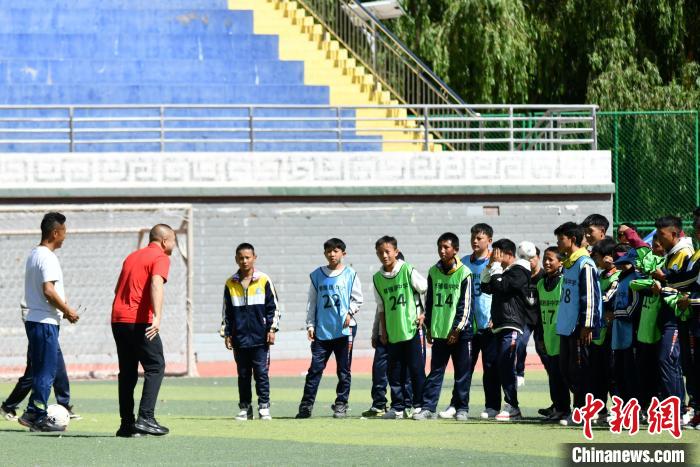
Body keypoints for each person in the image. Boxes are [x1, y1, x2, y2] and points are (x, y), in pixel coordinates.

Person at [17, 212, 80, 432]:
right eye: (64, 232)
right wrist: (68, 310)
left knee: (46, 367)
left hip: (36, 320)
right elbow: (48, 290)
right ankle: (35, 414)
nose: (65, 236)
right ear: (55, 233)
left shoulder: (34, 254)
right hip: (44, 321)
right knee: (45, 371)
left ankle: (36, 412)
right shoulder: (48, 257)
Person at [111, 224, 176, 437]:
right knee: (156, 366)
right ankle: (146, 418)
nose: (174, 245)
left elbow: (117, 289)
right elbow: (156, 284)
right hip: (139, 321)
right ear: (165, 241)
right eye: (173, 241)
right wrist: (157, 316)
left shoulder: (132, 257)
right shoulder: (160, 257)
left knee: (127, 373)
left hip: (118, 320)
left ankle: (126, 424)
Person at [296, 238, 362, 419]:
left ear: (343, 253)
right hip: (322, 331)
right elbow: (312, 302)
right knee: (315, 370)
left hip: (344, 330)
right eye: (329, 251)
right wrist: (310, 324)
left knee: (343, 371)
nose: (332, 254)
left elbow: (358, 299)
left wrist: (350, 312)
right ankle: (306, 406)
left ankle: (341, 404)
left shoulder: (350, 274)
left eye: (336, 250)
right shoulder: (317, 275)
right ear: (324, 253)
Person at [439, 223, 498, 420]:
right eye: (473, 237)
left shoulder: (495, 263)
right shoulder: (463, 262)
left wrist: (496, 316)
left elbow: (500, 292)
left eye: (479, 238)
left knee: (490, 368)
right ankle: (456, 405)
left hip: (488, 324)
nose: (475, 241)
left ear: (489, 240)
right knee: (463, 369)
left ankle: (492, 406)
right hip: (467, 326)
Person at [413, 233, 473, 421]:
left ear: (456, 250)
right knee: (436, 372)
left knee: (462, 373)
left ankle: (462, 408)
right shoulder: (433, 271)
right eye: (440, 247)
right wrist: (429, 327)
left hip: (460, 333)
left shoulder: (465, 273)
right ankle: (428, 408)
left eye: (446, 247)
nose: (442, 250)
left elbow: (465, 306)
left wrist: (457, 329)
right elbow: (429, 301)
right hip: (439, 332)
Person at [222, 243, 281, 421]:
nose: (244, 261)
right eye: (241, 258)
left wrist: (272, 329)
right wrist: (227, 333)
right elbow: (226, 311)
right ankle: (245, 408)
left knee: (261, 373)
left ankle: (264, 407)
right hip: (239, 338)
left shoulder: (264, 280)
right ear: (236, 259)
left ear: (255, 258)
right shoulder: (230, 283)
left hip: (260, 337)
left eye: (247, 257)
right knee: (243, 375)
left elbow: (273, 308)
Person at [553, 222, 603, 427]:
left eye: (560, 239)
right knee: (566, 369)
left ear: (572, 239)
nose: (558, 242)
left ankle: (582, 411)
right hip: (566, 326)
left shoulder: (585, 264)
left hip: (579, 327)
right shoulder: (568, 264)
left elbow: (590, 296)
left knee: (580, 371)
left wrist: (587, 325)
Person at [374, 235, 428, 419]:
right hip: (393, 332)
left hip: (412, 329)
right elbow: (381, 308)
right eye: (380, 253)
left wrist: (424, 313)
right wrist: (383, 331)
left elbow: (426, 288)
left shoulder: (407, 270)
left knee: (416, 369)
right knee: (395, 372)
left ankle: (419, 405)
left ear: (396, 252)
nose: (384, 255)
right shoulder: (377, 278)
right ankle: (398, 407)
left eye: (387, 251)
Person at [481, 239, 532, 421]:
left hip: (512, 323)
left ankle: (512, 406)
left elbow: (501, 286)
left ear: (509, 254)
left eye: (497, 253)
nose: (494, 257)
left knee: (506, 364)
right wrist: (489, 268)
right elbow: (486, 287)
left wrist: (495, 267)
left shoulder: (520, 271)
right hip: (499, 324)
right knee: (495, 366)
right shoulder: (503, 271)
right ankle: (496, 406)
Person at [650, 215, 695, 423]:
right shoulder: (672, 253)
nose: (658, 239)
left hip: (678, 317)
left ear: (675, 234)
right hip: (668, 316)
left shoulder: (685, 252)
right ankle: (676, 409)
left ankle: (679, 410)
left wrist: (664, 280)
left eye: (662, 235)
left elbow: (687, 285)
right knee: (671, 362)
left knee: (668, 359)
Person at [1, 301, 79, 422]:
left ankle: (62, 406)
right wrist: (66, 310)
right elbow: (48, 293)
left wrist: (62, 311)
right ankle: (26, 411)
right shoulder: (38, 293)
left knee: (56, 367)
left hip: (48, 323)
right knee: (35, 373)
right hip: (41, 324)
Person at [361, 252, 412, 418]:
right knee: (379, 371)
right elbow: (379, 311)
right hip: (384, 336)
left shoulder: (407, 281)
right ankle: (378, 404)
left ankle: (406, 405)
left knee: (403, 372)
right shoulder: (383, 282)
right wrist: (375, 333)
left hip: (403, 335)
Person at [535, 247, 570, 421]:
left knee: (566, 375)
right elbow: (538, 312)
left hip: (562, 336)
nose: (547, 263)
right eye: (545, 259)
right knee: (554, 375)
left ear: (560, 262)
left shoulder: (565, 282)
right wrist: (540, 335)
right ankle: (559, 407)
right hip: (548, 336)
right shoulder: (541, 284)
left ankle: (571, 409)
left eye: (551, 259)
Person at [589, 237, 620, 419]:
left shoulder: (618, 276)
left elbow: (606, 299)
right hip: (598, 333)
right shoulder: (600, 276)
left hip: (612, 334)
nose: (596, 260)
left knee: (613, 373)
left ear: (608, 257)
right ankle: (600, 410)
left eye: (598, 257)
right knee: (597, 373)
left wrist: (591, 300)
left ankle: (618, 410)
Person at [516, 245, 544, 387]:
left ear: (538, 257)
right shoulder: (520, 276)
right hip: (525, 319)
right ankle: (519, 373)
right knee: (520, 344)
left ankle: (552, 372)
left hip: (541, 320)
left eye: (532, 257)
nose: (530, 260)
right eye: (527, 258)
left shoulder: (544, 276)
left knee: (542, 349)